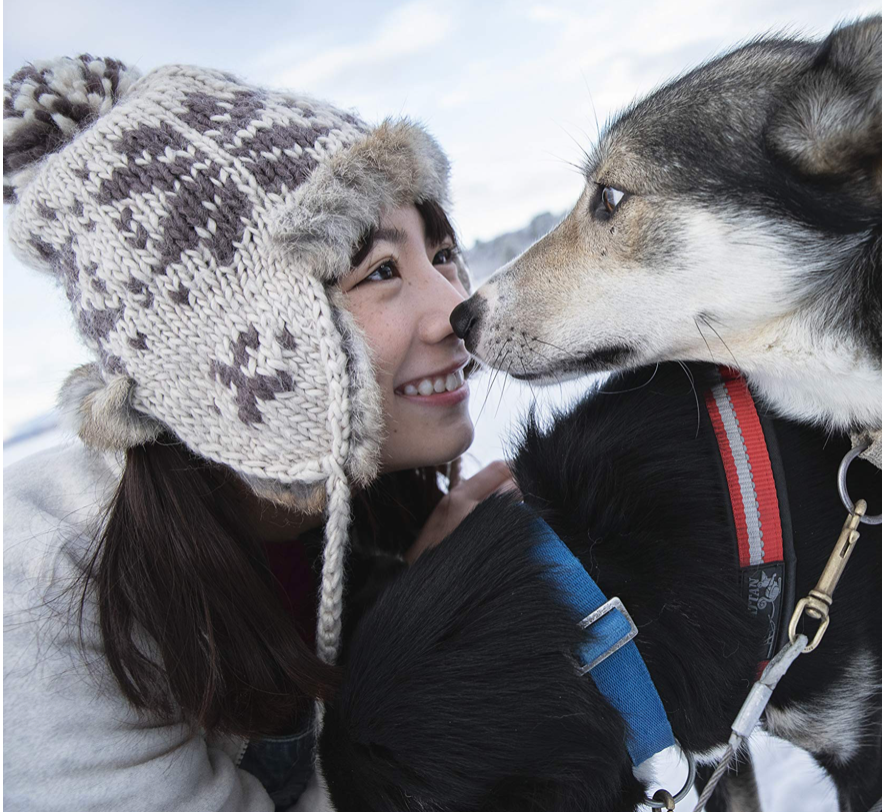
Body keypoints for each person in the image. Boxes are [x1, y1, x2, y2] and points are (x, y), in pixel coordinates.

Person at [2, 55, 514, 810]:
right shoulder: (44, 606)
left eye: (441, 254)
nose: (458, 309)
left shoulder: (366, 502)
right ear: (226, 350)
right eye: (378, 271)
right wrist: (417, 634)